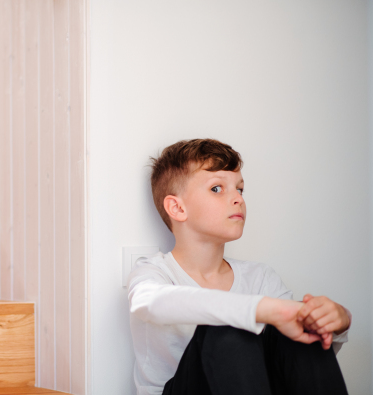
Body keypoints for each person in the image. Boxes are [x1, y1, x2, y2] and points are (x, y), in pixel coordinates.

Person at [127, 138, 352, 395]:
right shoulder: (153, 274)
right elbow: (150, 303)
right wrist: (263, 309)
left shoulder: (260, 277)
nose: (238, 199)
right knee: (228, 330)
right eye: (217, 189)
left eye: (240, 189)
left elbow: (295, 365)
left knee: (294, 332)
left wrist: (335, 322)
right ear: (177, 208)